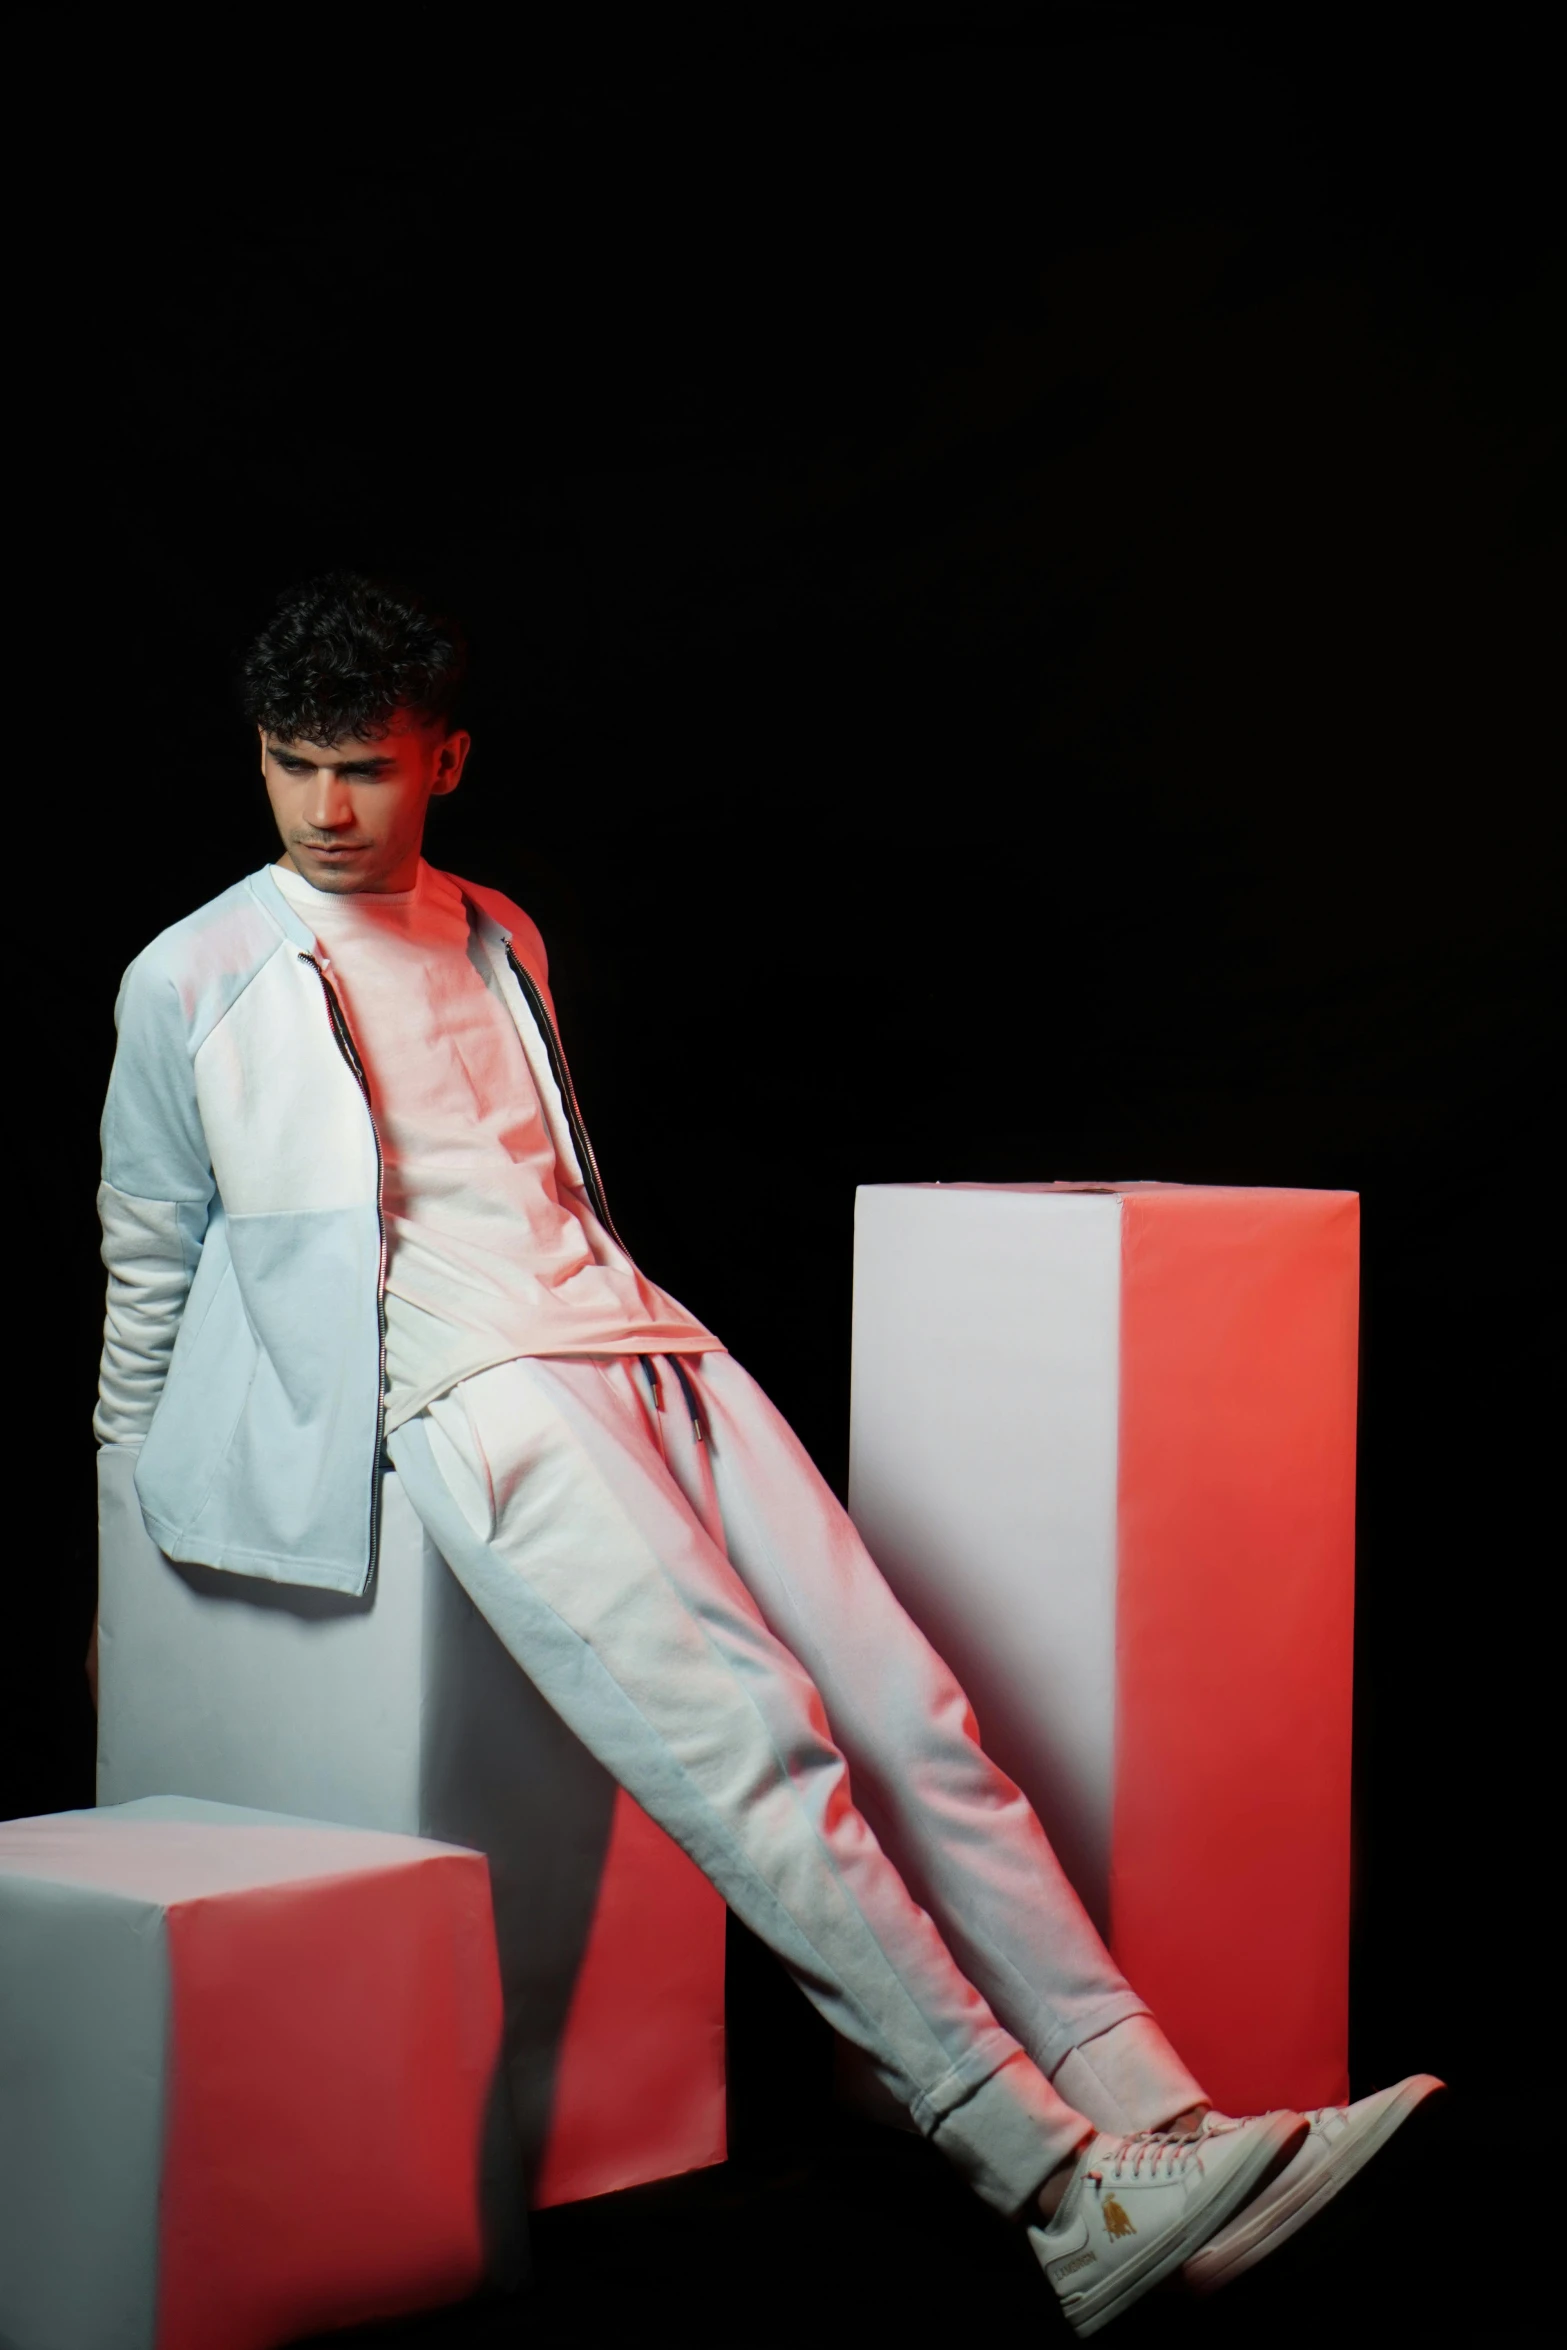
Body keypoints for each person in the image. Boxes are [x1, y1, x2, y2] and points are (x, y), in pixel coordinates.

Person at [90, 572, 1439, 2337]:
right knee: (756, 1751)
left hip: (642, 1335)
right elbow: (149, 1254)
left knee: (907, 1713)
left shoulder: (502, 931)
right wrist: (121, 1534)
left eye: (367, 770)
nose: (327, 811)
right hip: (472, 1388)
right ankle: (1047, 2175)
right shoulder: (188, 973)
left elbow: (540, 1181)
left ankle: (1161, 2113)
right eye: (291, 768)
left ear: (448, 760)